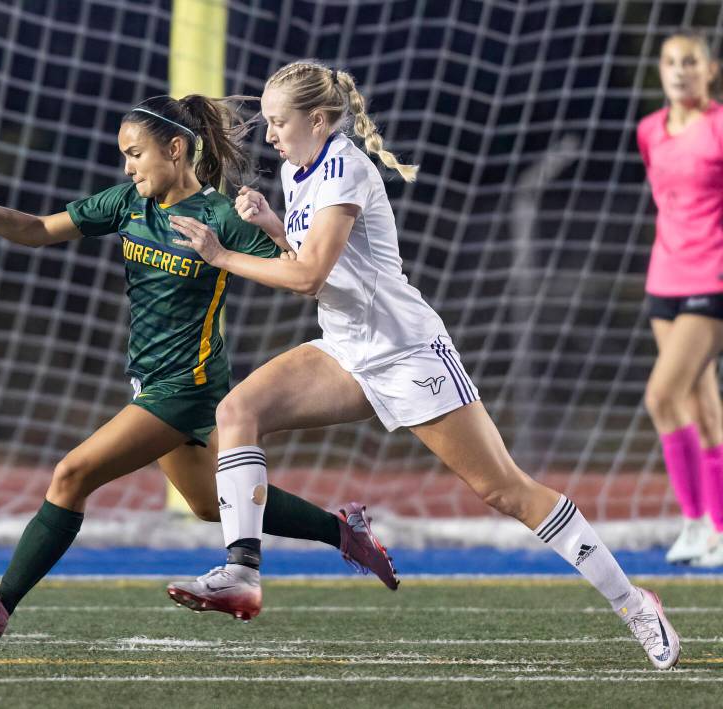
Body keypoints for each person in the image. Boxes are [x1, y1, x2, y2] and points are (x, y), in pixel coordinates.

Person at [165, 61, 681, 669]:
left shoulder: (346, 167)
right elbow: (311, 265)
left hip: (407, 353)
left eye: (280, 122)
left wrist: (222, 254)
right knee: (237, 411)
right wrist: (275, 227)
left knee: (504, 490)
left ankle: (634, 603)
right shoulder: (295, 168)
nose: (271, 135)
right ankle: (242, 574)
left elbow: (308, 276)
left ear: (319, 120)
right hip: (346, 348)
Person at [0, 94, 398, 643]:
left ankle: (0, 602)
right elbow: (37, 229)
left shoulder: (219, 217)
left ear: (175, 150)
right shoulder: (128, 204)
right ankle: (345, 532)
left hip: (187, 387)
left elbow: (298, 271)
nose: (128, 166)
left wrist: (271, 229)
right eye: (124, 156)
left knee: (72, 474)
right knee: (210, 505)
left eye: (135, 154)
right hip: (153, 382)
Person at [637, 31, 723, 567]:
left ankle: (694, 522)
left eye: (690, 62)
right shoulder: (649, 130)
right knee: (701, 404)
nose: (679, 71)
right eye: (670, 62)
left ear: (709, 70)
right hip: (662, 281)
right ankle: (715, 527)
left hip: (711, 280)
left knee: (661, 395)